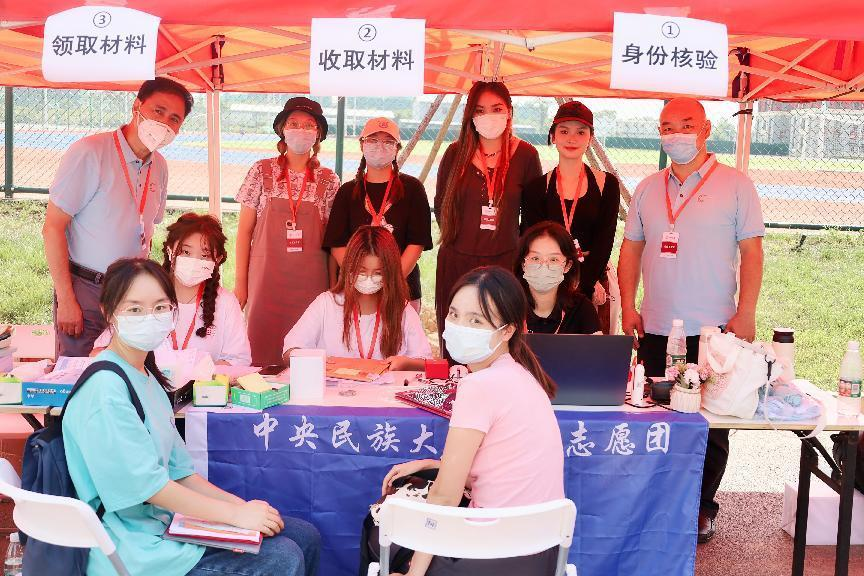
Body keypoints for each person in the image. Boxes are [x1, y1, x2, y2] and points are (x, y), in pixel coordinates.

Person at [62, 258, 319, 576]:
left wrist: (241, 508)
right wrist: (235, 517)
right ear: (108, 312)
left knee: (303, 536)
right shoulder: (105, 389)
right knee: (283, 558)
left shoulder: (147, 378)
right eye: (135, 309)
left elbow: (182, 474)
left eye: (160, 307)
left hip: (164, 527)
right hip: (131, 551)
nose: (149, 317)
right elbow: (151, 488)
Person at [618, 97, 765, 543]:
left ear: (705, 130)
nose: (676, 134)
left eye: (686, 125)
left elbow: (752, 252)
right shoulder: (648, 188)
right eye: (667, 126)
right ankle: (657, 501)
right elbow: (631, 250)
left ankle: (702, 507)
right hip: (656, 326)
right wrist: (629, 305)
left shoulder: (736, 185)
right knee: (653, 416)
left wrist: (746, 312)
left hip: (714, 330)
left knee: (709, 425)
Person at [379, 266, 564, 575]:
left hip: (488, 556)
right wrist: (433, 465)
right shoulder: (521, 375)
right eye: (454, 315)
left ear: (507, 331)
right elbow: (505, 473)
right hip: (539, 554)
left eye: (476, 320)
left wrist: (414, 573)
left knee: (380, 531)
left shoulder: (480, 385)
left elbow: (445, 497)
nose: (459, 326)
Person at [43, 77, 193, 357]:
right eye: (158, 111)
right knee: (79, 369)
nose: (164, 123)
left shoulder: (159, 166)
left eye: (174, 119)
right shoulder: (90, 152)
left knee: (129, 368)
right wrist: (66, 298)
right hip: (87, 290)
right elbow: (52, 227)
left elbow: (148, 227)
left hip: (132, 292)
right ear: (137, 106)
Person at [434, 81, 542, 350]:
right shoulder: (455, 153)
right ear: (470, 115)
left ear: (509, 112)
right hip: (457, 261)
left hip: (505, 263)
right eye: (480, 110)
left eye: (496, 108)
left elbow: (533, 218)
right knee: (459, 343)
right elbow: (441, 205)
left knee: (500, 341)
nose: (489, 116)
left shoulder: (526, 155)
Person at [235, 97, 341, 366]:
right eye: (293, 123)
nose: (300, 130)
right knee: (260, 351)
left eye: (309, 125)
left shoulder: (329, 179)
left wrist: (332, 288)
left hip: (311, 283)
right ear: (282, 129)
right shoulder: (261, 170)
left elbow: (333, 241)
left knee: (306, 354)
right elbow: (244, 232)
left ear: (318, 133)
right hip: (265, 280)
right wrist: (241, 285)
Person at [91, 213, 251, 365]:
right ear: (169, 251)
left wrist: (198, 372)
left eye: (205, 255)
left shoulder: (226, 302)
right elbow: (99, 352)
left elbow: (238, 361)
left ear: (217, 260)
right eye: (186, 252)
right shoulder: (146, 293)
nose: (194, 261)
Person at [520, 100, 621, 333]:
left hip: (594, 279)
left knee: (592, 349)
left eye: (580, 132)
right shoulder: (536, 188)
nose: (572, 139)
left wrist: (584, 286)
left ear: (590, 138)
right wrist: (557, 282)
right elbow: (531, 239)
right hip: (546, 279)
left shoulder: (607, 185)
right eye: (564, 131)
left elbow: (605, 240)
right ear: (553, 136)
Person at [282, 226, 431, 370]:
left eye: (378, 273)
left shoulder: (402, 310)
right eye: (361, 271)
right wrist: (314, 359)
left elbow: (425, 362)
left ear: (390, 273)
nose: (369, 279)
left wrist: (406, 363)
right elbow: (289, 352)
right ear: (349, 267)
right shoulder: (326, 304)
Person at [323, 117, 432, 312]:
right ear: (362, 144)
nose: (380, 146)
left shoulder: (413, 188)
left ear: (397, 148)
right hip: (355, 288)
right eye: (373, 140)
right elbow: (337, 244)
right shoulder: (348, 191)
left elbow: (417, 242)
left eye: (388, 141)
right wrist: (360, 278)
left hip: (402, 289)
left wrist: (391, 280)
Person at [515, 221, 601, 335]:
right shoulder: (507, 306)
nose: (544, 266)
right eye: (535, 258)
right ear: (523, 263)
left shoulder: (583, 309)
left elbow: (597, 346)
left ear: (567, 266)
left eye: (553, 259)